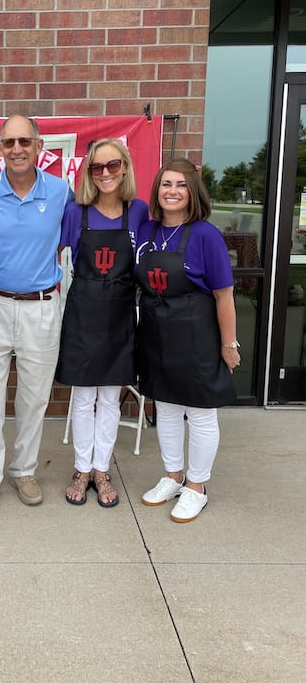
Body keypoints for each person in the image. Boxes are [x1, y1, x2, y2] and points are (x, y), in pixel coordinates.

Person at [0, 115, 72, 519]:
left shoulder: (60, 191)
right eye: (9, 142)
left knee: (34, 397)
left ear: (40, 146)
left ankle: (24, 470)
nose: (17, 149)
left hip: (42, 306)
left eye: (25, 141)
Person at [135, 158, 240, 523]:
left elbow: (224, 295)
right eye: (166, 184)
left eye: (180, 184)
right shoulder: (148, 231)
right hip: (155, 331)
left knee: (199, 412)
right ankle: (173, 476)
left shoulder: (205, 234)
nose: (172, 191)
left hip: (195, 332)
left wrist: (229, 344)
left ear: (192, 191)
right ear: (157, 190)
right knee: (164, 407)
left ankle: (197, 487)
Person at [56, 139, 148, 507]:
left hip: (121, 312)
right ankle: (81, 468)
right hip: (83, 310)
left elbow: (154, 259)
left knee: (110, 398)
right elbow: (48, 257)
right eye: (97, 167)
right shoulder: (75, 211)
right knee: (83, 396)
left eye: (112, 165)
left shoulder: (139, 211)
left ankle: (101, 468)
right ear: (88, 173)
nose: (105, 173)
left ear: (124, 166)